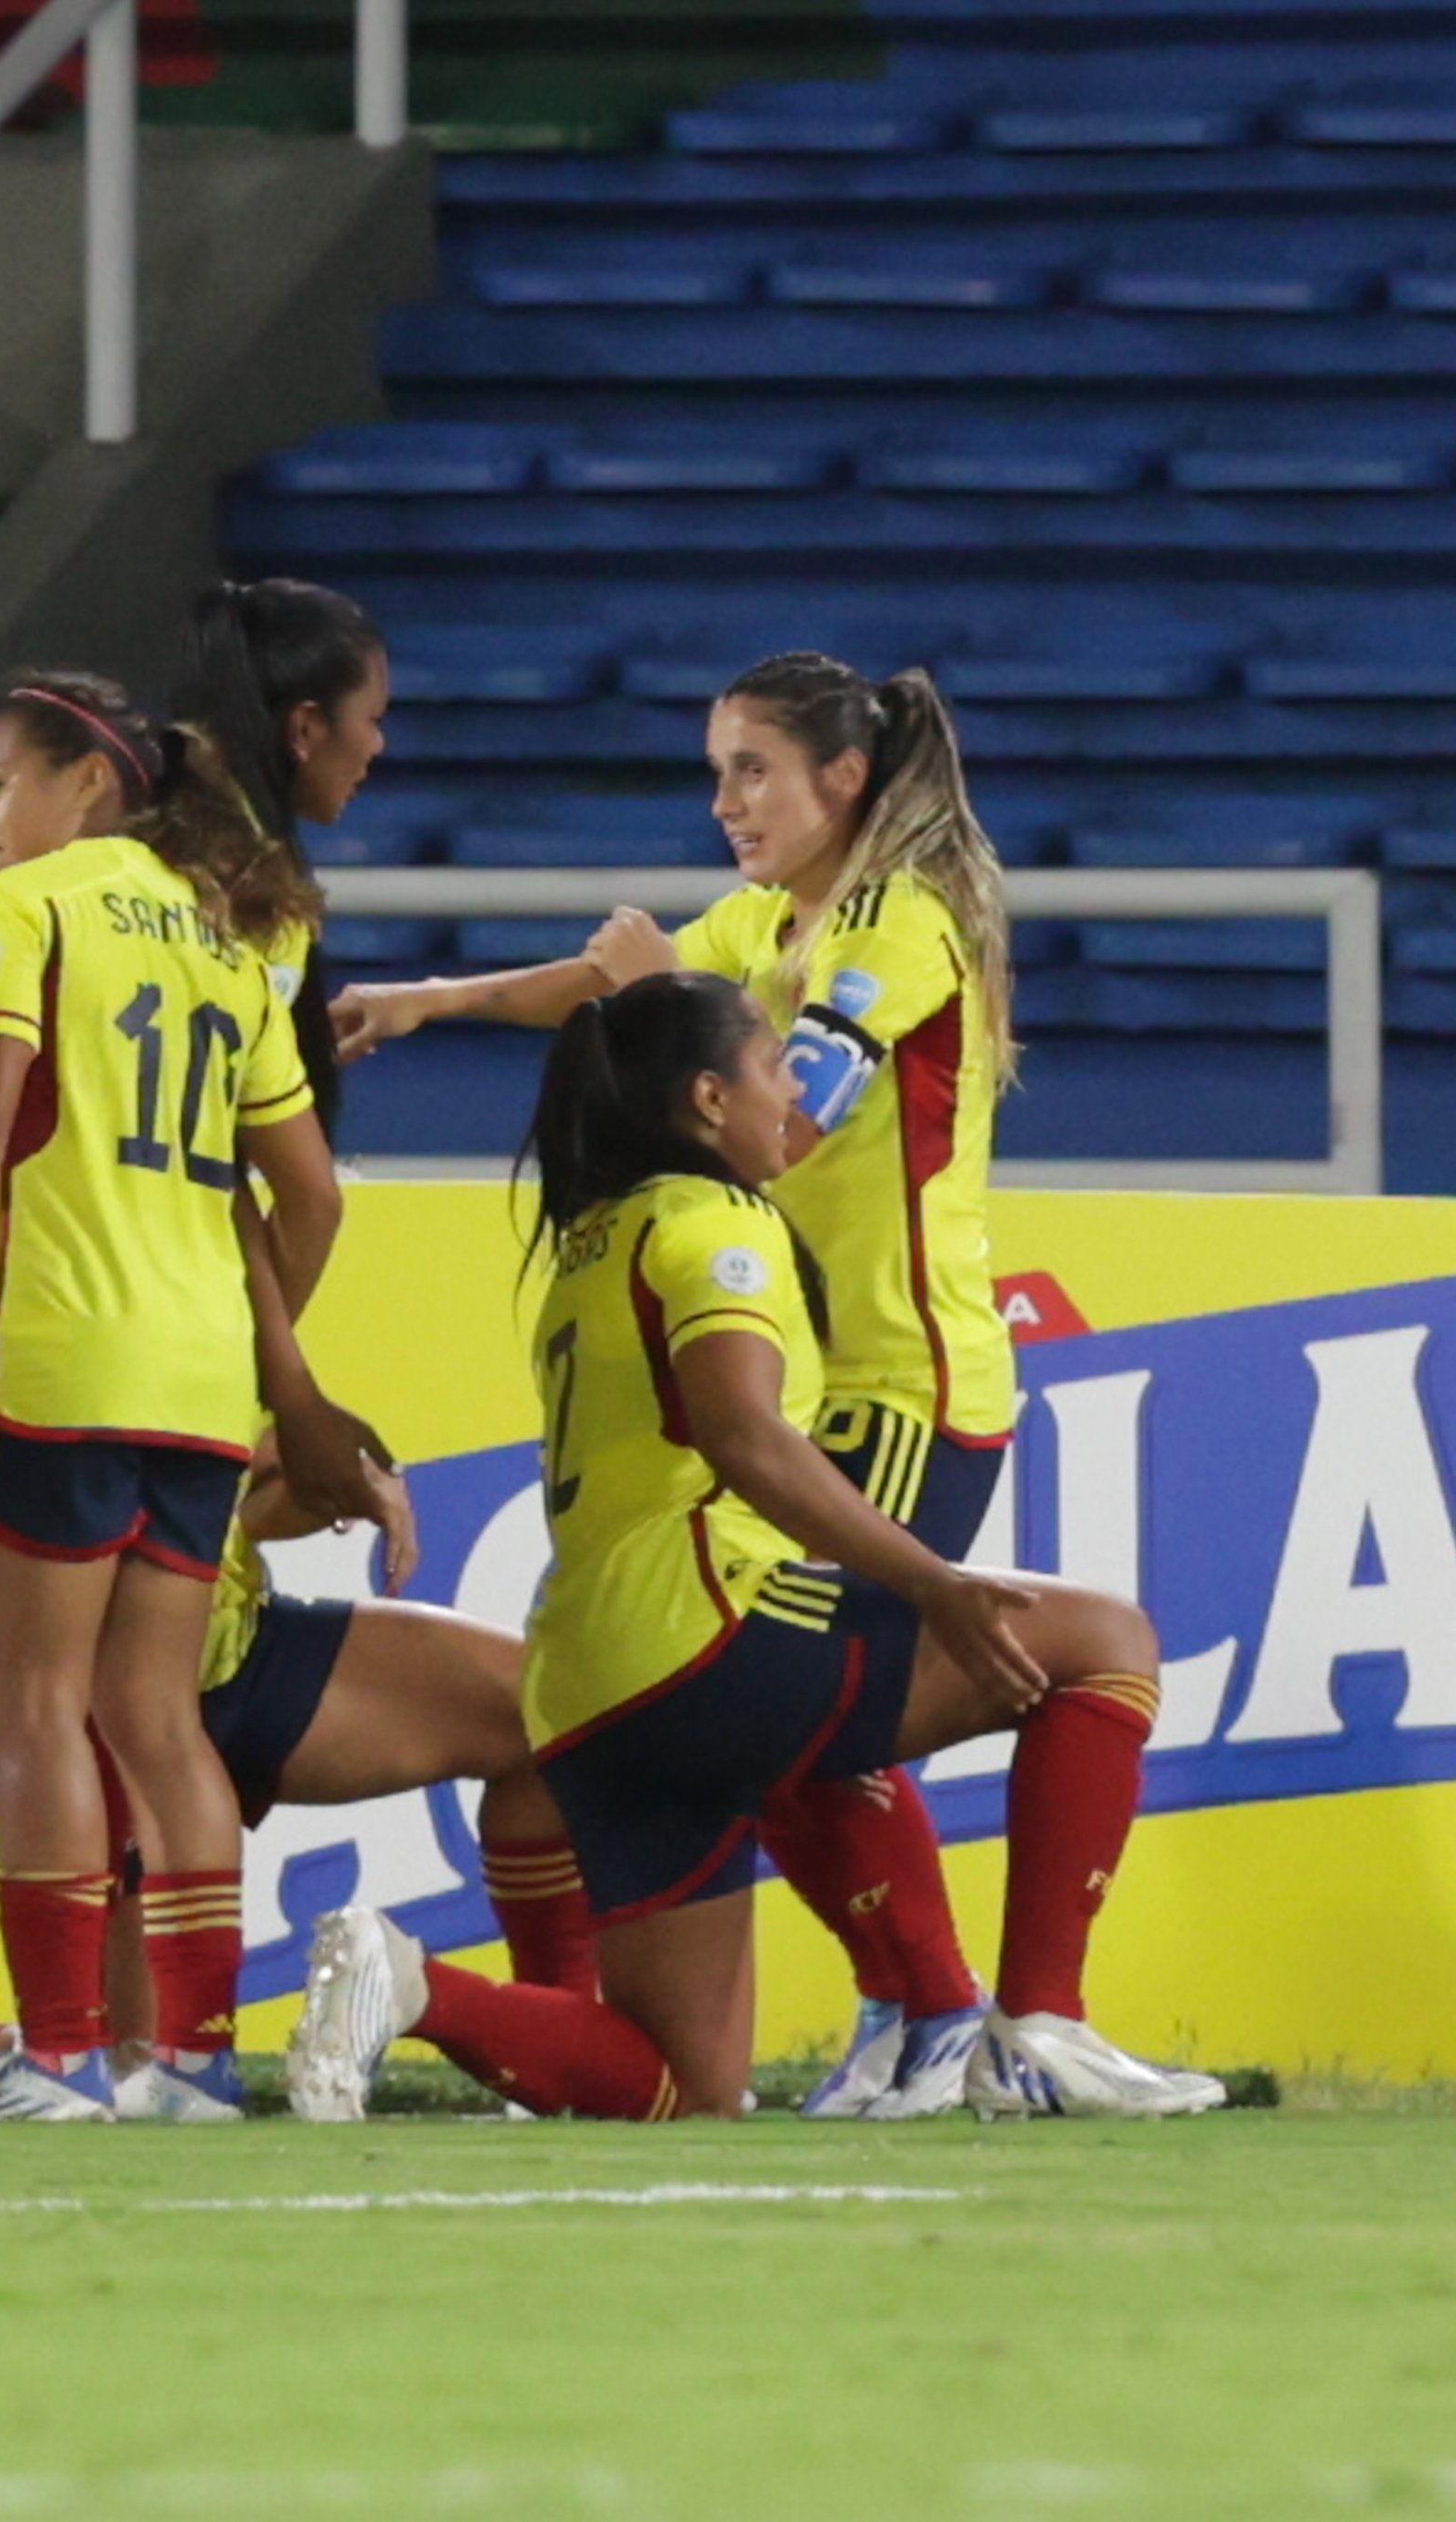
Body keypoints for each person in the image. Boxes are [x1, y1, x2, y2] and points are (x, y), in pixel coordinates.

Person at [287, 971, 1221, 2124]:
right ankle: (1034, 2026)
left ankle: (408, 1980)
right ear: (709, 1097)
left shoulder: (589, 1239)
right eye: (777, 1067)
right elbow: (741, 1434)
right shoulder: (719, 1224)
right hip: (701, 1634)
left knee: (685, 2084)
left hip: (586, 1691)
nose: (795, 1093)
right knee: (1103, 1643)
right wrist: (933, 1582)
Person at [326, 655, 1017, 2118]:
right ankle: (920, 2008)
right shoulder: (768, 922)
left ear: (844, 777)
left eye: (752, 768)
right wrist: (431, 998)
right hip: (823, 1377)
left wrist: (666, 992)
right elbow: (608, 999)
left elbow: (810, 1111)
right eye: (715, 771)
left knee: (805, 1710)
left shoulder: (894, 920)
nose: (725, 802)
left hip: (899, 1374)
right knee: (778, 1711)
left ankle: (945, 2006)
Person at [0, 678, 343, 2124]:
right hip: (194, 1380)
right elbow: (306, 1189)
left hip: (49, 1356)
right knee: (156, 1717)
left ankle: (59, 2053)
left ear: (88, 788)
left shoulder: (30, 909)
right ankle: (185, 2059)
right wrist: (257, 1348)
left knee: (37, 1714)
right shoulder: (230, 937)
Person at [0, 1438, 601, 2117]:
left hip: (237, 1648)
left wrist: (328, 1475)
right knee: (115, 2069)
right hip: (87, 1729)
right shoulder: (53, 1323)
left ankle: (551, 2050)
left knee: (549, 1717)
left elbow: (259, 1486)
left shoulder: (225, 1315)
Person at [168, 577, 392, 1124]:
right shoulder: (246, 892)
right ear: (306, 728)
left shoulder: (162, 834)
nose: (378, 745)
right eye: (373, 719)